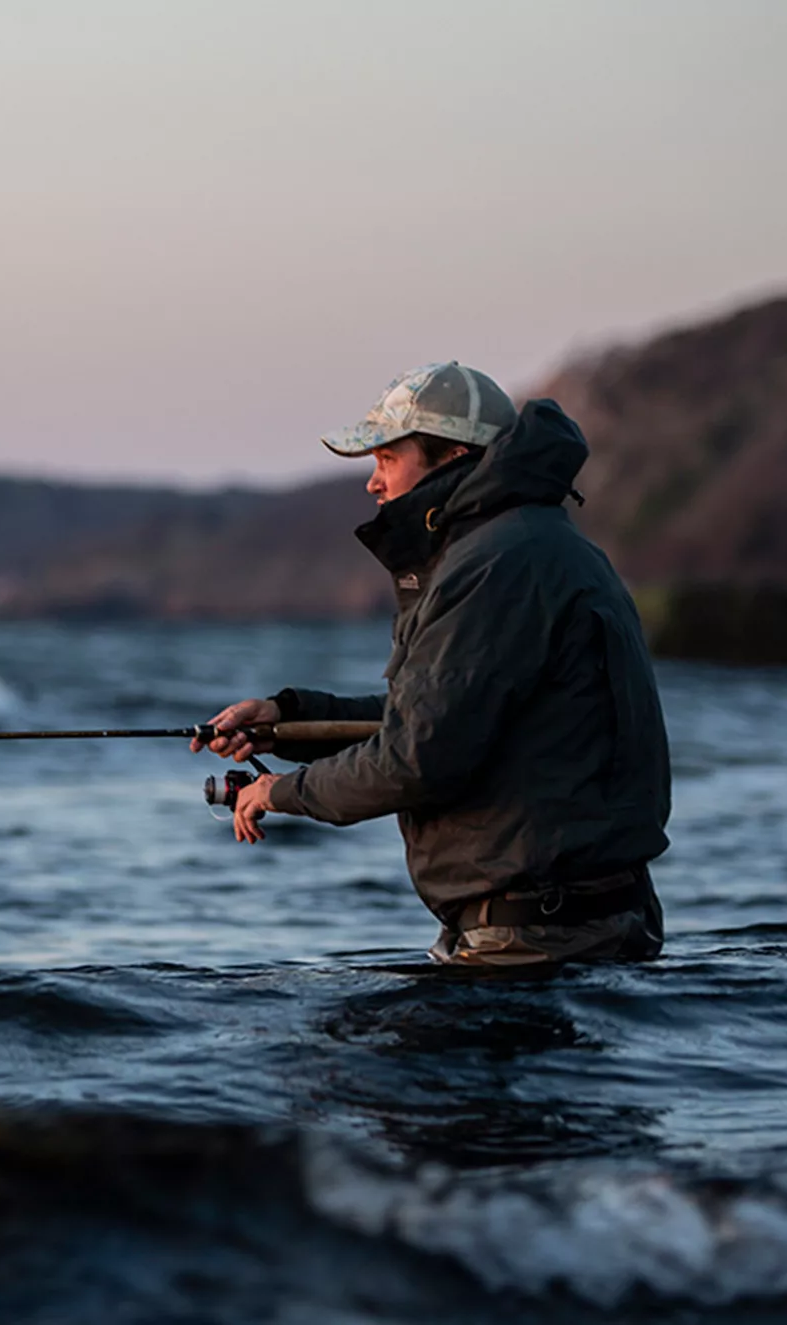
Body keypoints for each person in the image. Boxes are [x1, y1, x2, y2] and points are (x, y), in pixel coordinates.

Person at [192, 362, 671, 966]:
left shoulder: (497, 566)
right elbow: (441, 716)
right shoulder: (533, 545)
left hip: (535, 939)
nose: (373, 483)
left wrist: (280, 792)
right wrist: (287, 720)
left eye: (388, 458)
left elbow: (418, 756)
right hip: (575, 926)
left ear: (451, 458)